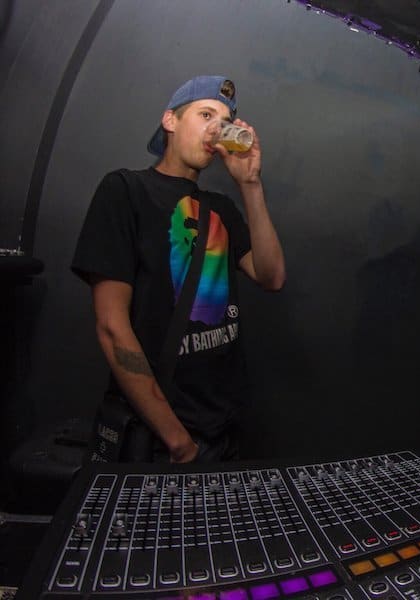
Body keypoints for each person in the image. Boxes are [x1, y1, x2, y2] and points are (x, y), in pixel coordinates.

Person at [72, 75, 286, 463]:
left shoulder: (220, 207)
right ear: (170, 120)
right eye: (205, 115)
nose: (215, 129)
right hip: (162, 438)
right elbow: (111, 326)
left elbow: (271, 277)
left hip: (225, 429)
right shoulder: (126, 191)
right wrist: (178, 441)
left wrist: (251, 184)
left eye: (224, 122)